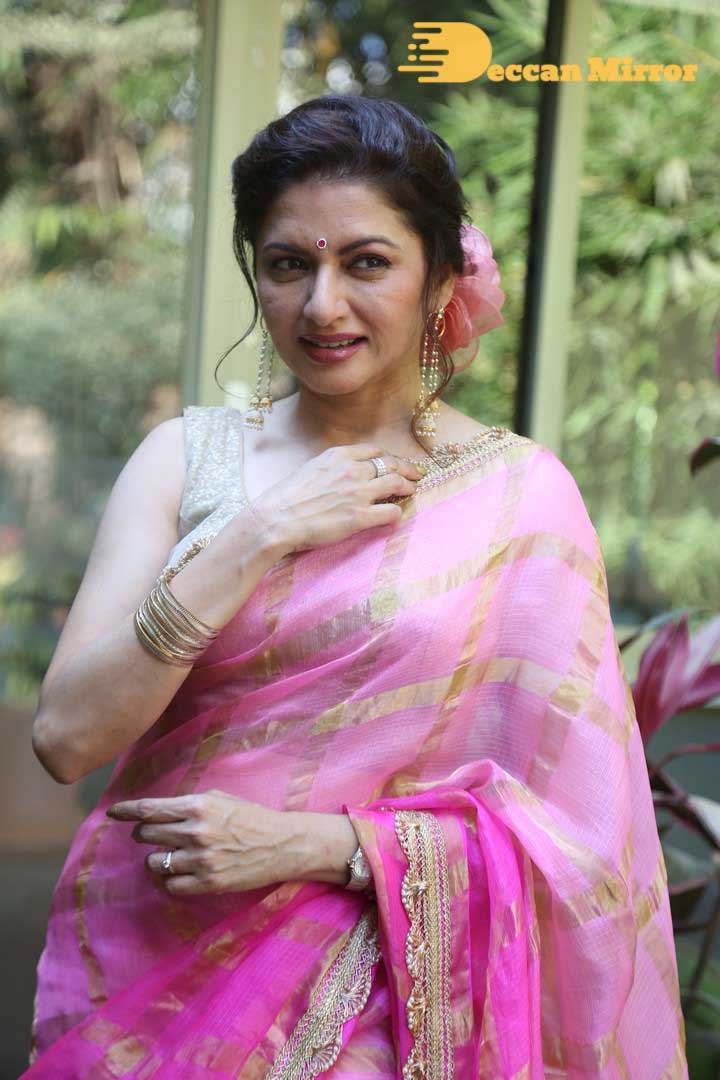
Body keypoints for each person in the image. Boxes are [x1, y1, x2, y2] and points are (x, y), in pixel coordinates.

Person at [24, 95, 687, 1078]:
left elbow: (577, 837)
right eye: (289, 264)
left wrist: (312, 844)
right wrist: (259, 533)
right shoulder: (184, 460)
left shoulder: (520, 499)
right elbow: (67, 737)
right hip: (145, 961)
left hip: (379, 991)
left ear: (441, 276)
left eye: (367, 263)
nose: (322, 305)